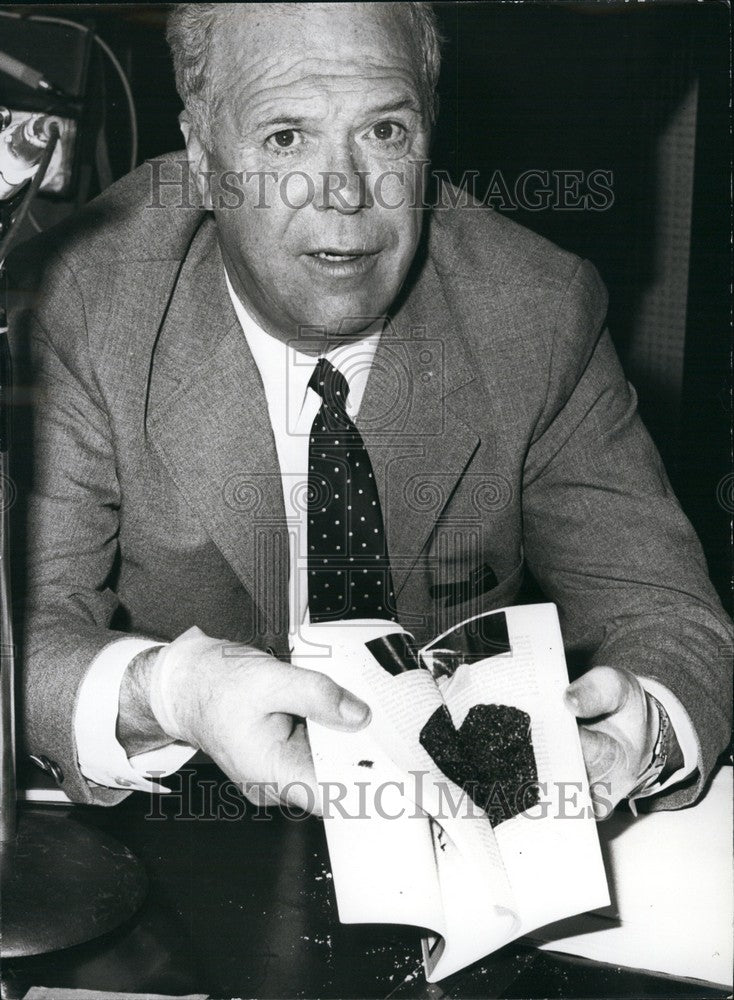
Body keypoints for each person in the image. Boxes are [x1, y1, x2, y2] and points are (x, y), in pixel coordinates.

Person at [14, 2, 731, 817]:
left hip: (453, 825)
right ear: (203, 156)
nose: (348, 194)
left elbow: (668, 614)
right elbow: (21, 630)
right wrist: (169, 692)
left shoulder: (538, 312)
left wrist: (647, 731)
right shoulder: (80, 302)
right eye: (287, 138)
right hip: (178, 822)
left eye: (386, 132)